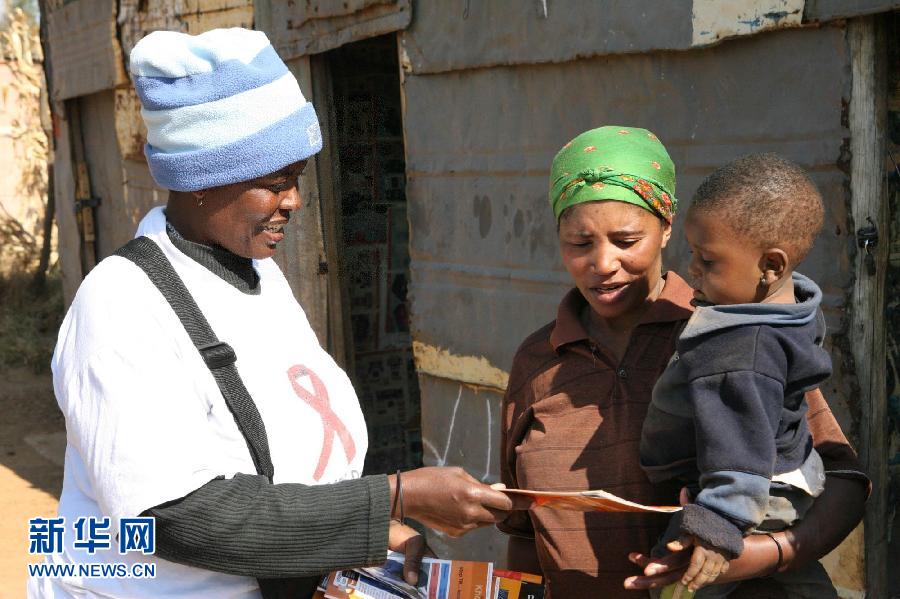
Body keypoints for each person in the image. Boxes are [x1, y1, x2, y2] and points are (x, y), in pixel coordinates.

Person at [29, 28, 512, 599]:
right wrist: (393, 496)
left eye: (298, 180)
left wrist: (362, 530)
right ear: (202, 179)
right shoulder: (121, 305)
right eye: (275, 183)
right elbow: (172, 515)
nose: (295, 202)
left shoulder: (257, 277)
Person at [499, 126, 869, 598]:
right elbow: (522, 528)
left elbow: (842, 478)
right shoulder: (537, 362)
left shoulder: (732, 334)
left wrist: (763, 554)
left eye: (626, 239)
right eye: (579, 243)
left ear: (667, 227)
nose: (603, 262)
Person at [640, 153, 836, 597]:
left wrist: (718, 525)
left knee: (684, 580)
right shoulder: (791, 309)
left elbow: (739, 444)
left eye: (708, 261)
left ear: (771, 266)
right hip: (784, 477)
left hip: (746, 493)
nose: (692, 269)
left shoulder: (738, 350)